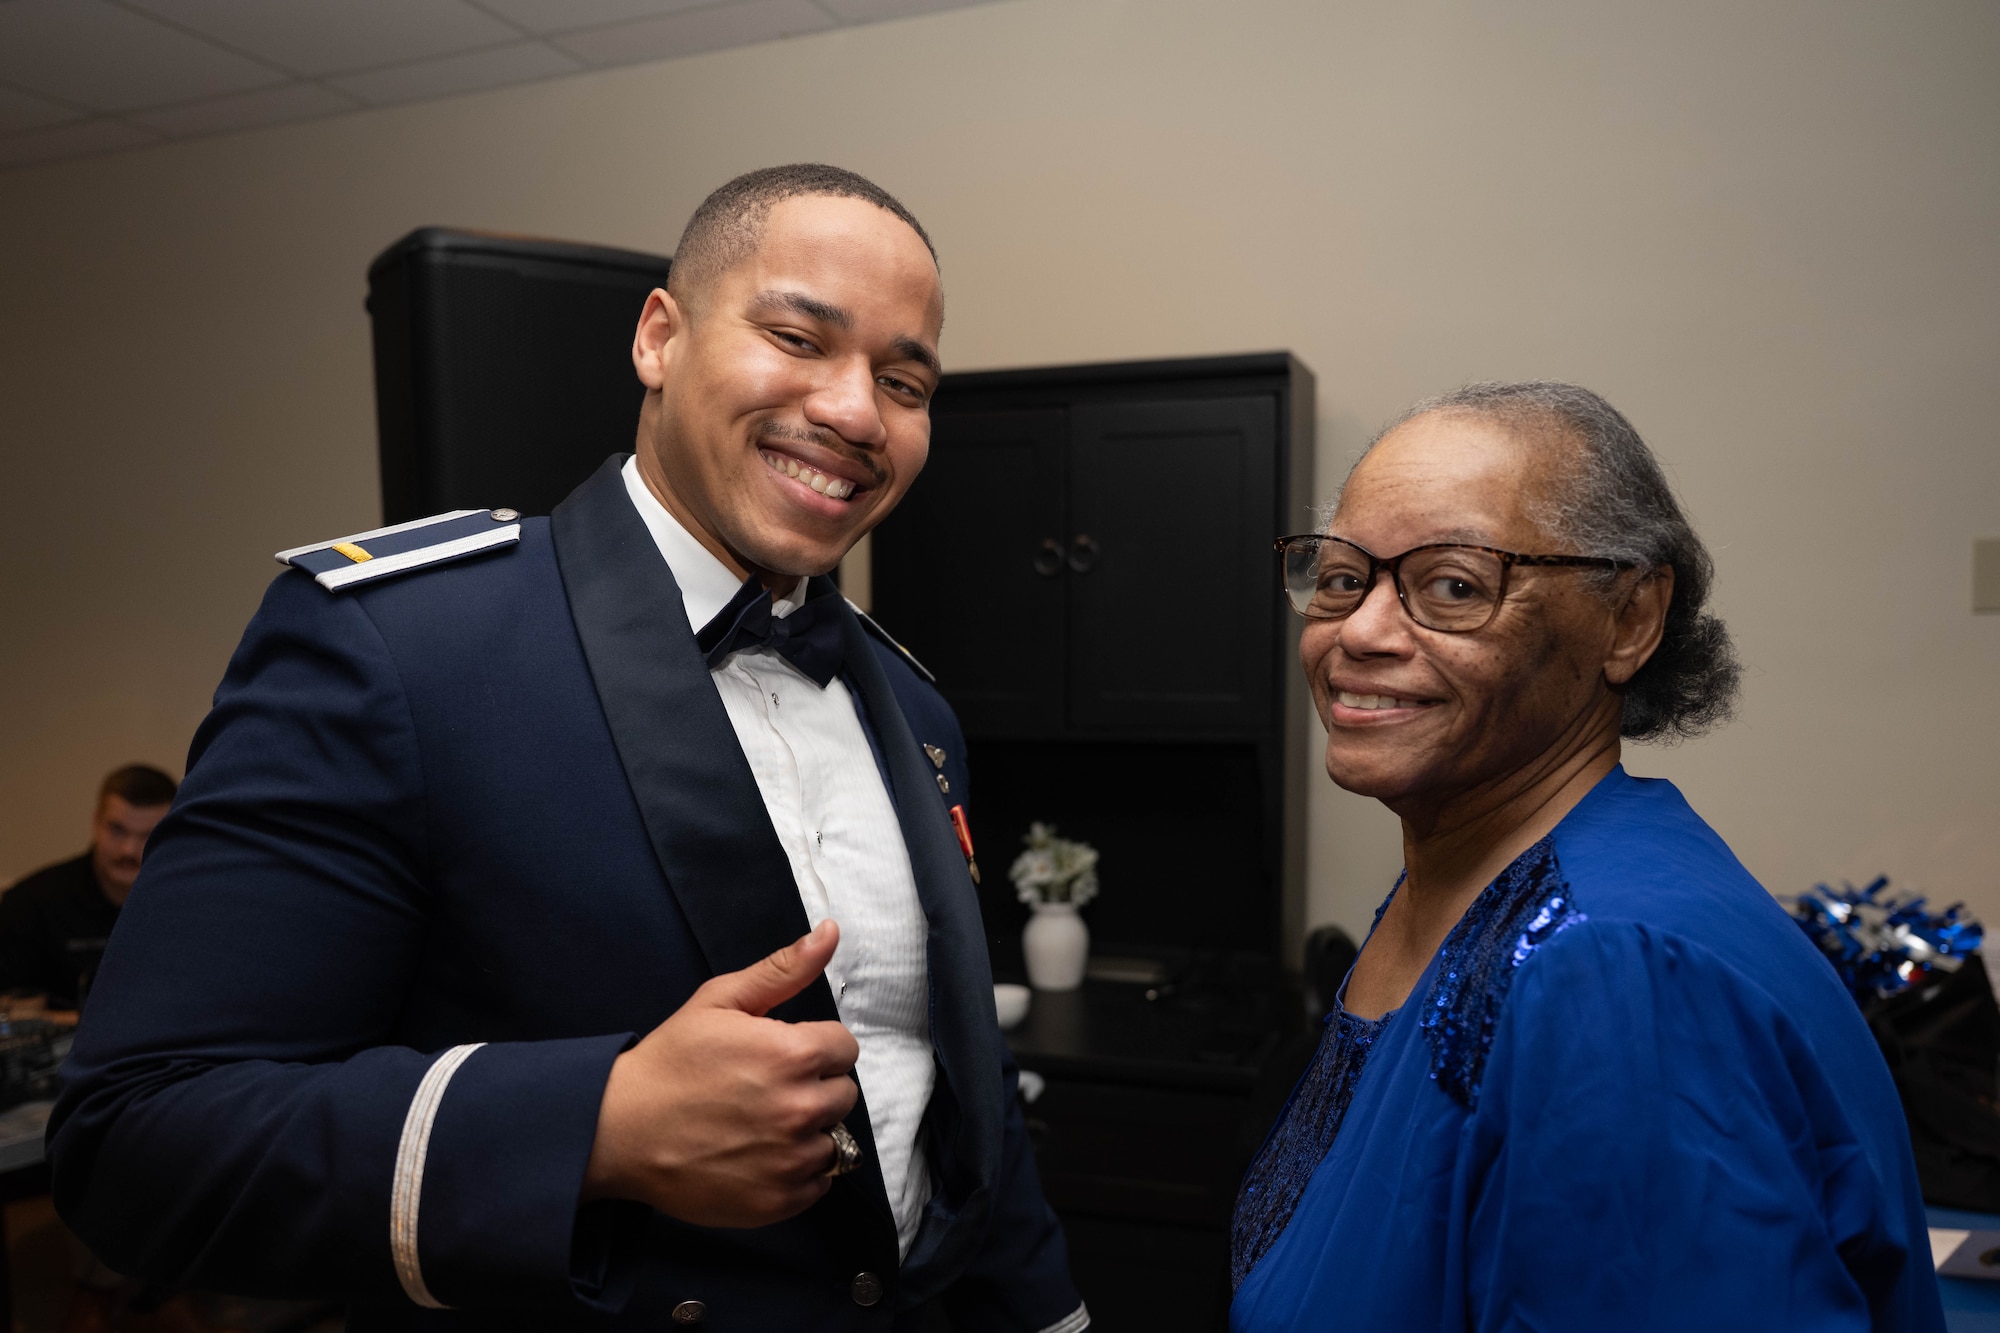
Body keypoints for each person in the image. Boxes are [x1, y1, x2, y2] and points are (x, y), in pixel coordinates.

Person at [51, 164, 1085, 1332]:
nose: (855, 411)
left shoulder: (912, 706)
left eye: (903, 380)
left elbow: (954, 1080)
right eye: (798, 336)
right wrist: (595, 1124)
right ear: (659, 336)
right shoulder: (402, 648)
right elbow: (136, 1138)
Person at [1232, 382, 1943, 1330]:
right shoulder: (1462, 880)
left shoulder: (1615, 969)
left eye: (1452, 584)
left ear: (1631, 620)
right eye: (1339, 576)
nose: (1359, 630)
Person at [0, 763, 176, 1016]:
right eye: (117, 830)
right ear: (96, 822)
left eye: (147, 835)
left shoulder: (191, 904)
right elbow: (9, 1013)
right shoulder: (31, 903)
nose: (128, 850)